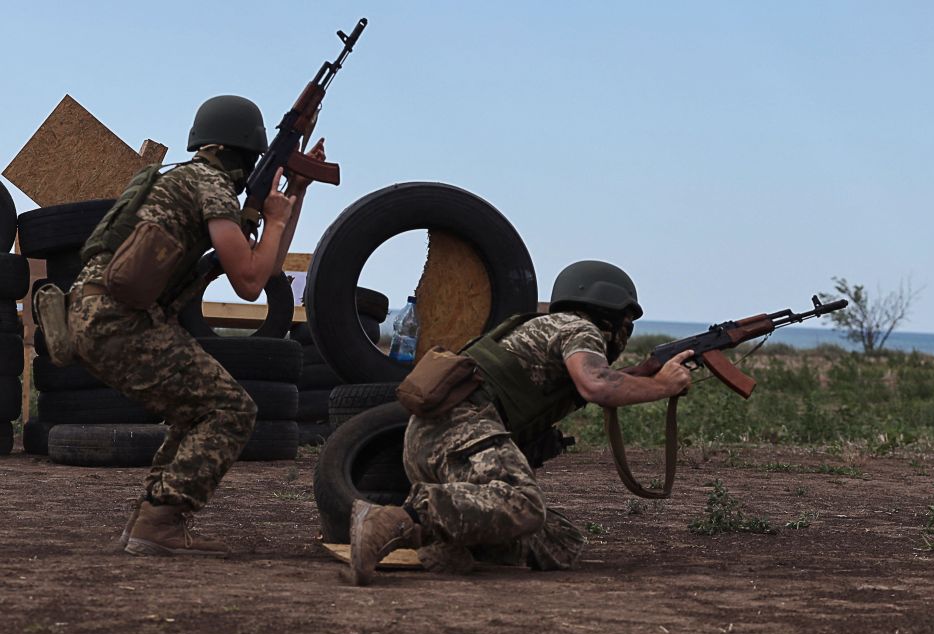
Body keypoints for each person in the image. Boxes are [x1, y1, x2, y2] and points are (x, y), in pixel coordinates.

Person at [66, 95, 326, 557]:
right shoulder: (210, 186)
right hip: (119, 322)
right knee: (232, 410)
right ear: (248, 151)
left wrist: (292, 197)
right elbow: (249, 283)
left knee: (197, 409)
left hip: (97, 317)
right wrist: (276, 217)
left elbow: (264, 267)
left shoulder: (184, 179)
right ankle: (160, 521)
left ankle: (148, 521)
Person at [348, 260, 693, 585]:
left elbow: (595, 380)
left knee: (559, 542)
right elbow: (598, 384)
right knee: (523, 502)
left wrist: (647, 375)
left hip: (432, 437)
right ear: (611, 313)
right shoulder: (581, 329)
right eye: (626, 324)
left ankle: (444, 542)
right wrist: (664, 386)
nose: (625, 334)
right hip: (464, 428)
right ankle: (396, 520)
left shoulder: (545, 327)